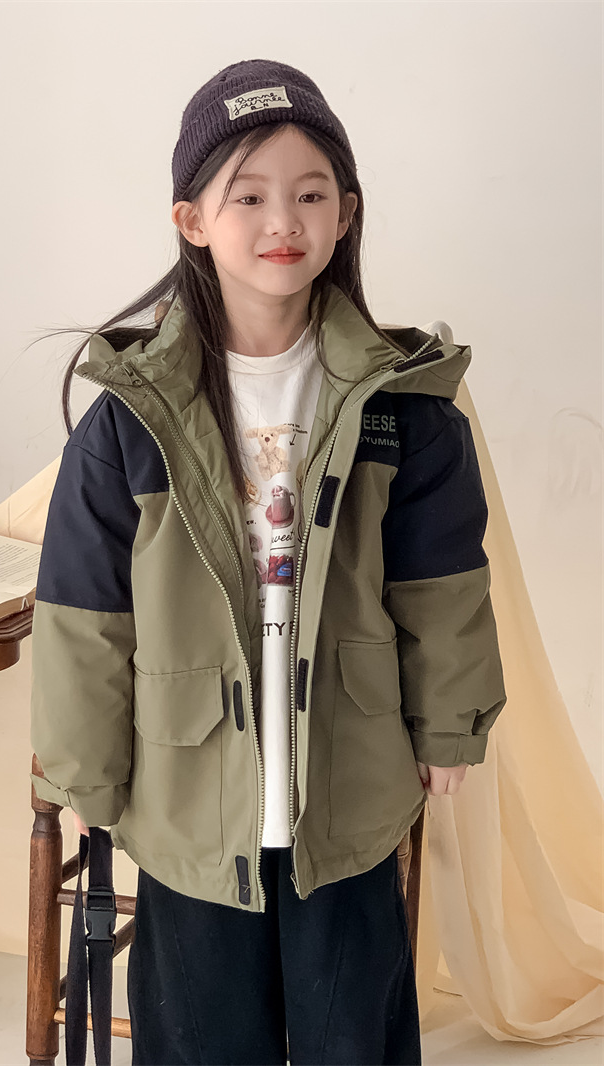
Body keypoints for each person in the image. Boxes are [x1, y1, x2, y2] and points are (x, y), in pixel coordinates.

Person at [30, 59, 507, 1066]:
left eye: (309, 193)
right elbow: (85, 612)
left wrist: (450, 722)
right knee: (200, 1037)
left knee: (353, 1034)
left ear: (345, 214)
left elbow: (440, 584)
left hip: (349, 777)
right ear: (192, 220)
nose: (281, 219)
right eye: (246, 195)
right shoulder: (130, 418)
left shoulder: (404, 405)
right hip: (188, 791)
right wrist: (83, 769)